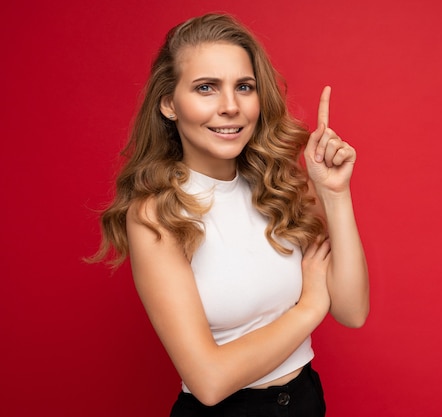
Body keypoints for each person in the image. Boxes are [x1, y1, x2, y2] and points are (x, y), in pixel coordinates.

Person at [89, 12, 369, 417]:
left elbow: (352, 310)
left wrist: (334, 193)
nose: (230, 107)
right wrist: (308, 307)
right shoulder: (156, 213)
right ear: (169, 104)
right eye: (206, 88)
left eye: (244, 87)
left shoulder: (280, 185)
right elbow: (209, 381)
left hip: (305, 400)